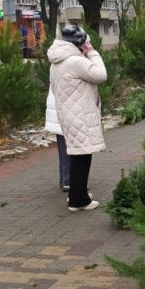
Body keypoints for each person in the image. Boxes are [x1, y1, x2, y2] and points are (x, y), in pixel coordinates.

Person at [47, 25, 107, 211]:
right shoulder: (75, 62)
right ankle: (78, 201)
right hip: (80, 114)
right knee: (82, 157)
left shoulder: (57, 62)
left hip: (68, 113)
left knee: (76, 155)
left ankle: (76, 194)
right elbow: (101, 75)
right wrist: (93, 52)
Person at [45, 86, 71, 192]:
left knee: (63, 147)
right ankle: (68, 180)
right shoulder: (65, 69)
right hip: (65, 111)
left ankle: (65, 179)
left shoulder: (55, 69)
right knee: (69, 147)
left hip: (57, 110)